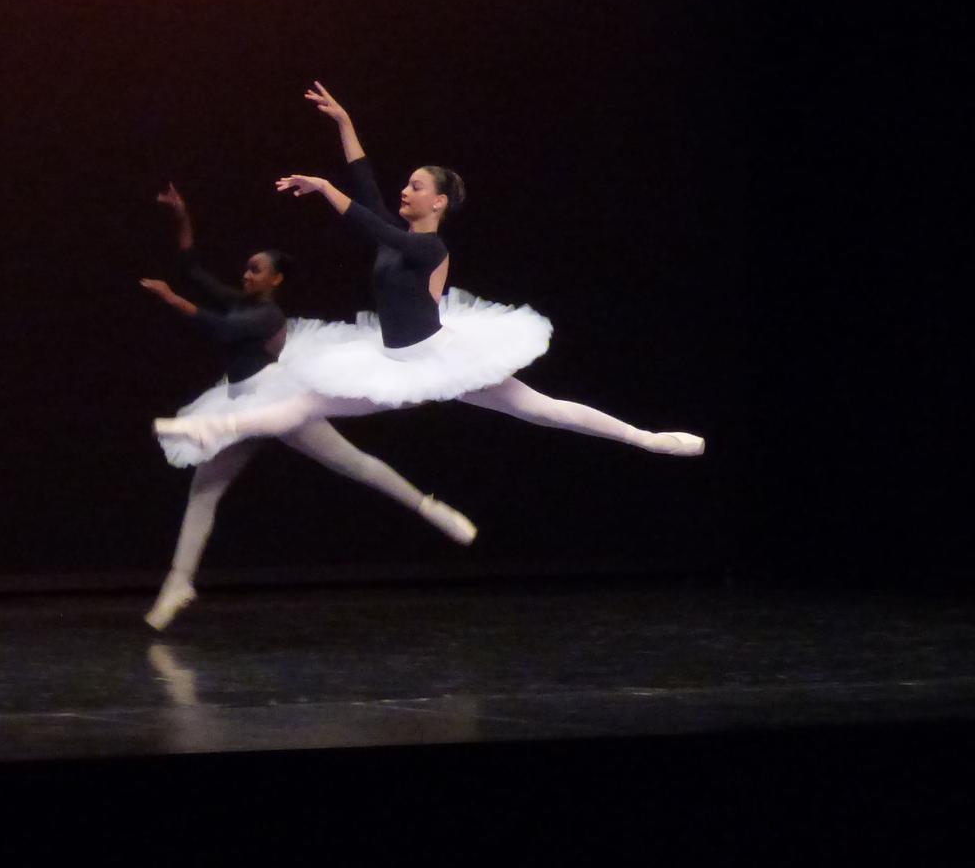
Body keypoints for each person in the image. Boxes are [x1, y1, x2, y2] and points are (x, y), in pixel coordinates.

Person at [156, 83, 704, 463]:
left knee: (541, 410)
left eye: (417, 186)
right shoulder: (400, 237)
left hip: (438, 360)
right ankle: (211, 427)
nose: (405, 190)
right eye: (408, 184)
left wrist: (324, 189)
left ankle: (648, 439)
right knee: (298, 405)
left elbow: (371, 222)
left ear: (438, 202)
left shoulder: (429, 248)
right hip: (391, 361)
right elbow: (367, 185)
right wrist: (345, 123)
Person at [142, 182, 474, 630]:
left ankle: (428, 507)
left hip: (277, 401)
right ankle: (179, 582)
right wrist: (181, 219)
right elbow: (193, 269)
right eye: (246, 269)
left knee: (353, 464)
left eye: (256, 270)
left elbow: (216, 328)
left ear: (275, 280)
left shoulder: (267, 316)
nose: (246, 275)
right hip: (237, 404)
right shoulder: (242, 303)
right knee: (204, 492)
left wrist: (171, 300)